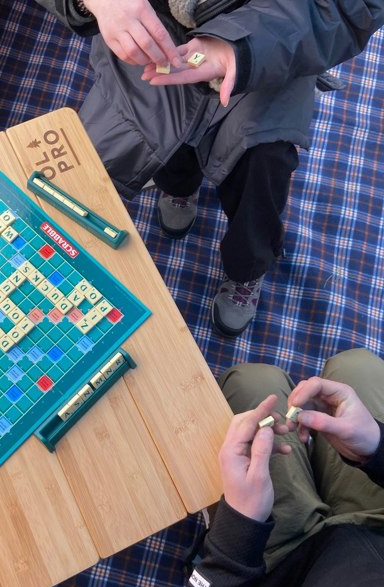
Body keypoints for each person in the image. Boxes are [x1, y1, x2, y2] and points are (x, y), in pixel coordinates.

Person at [34, 0, 384, 336]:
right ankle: (178, 188)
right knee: (159, 134)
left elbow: (351, 6)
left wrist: (243, 46)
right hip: (154, 34)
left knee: (260, 169)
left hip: (274, 46)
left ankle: (247, 269)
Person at [183, 347, 384, 587]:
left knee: (251, 384)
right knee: (357, 366)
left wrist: (237, 526)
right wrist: (376, 445)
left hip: (279, 573)